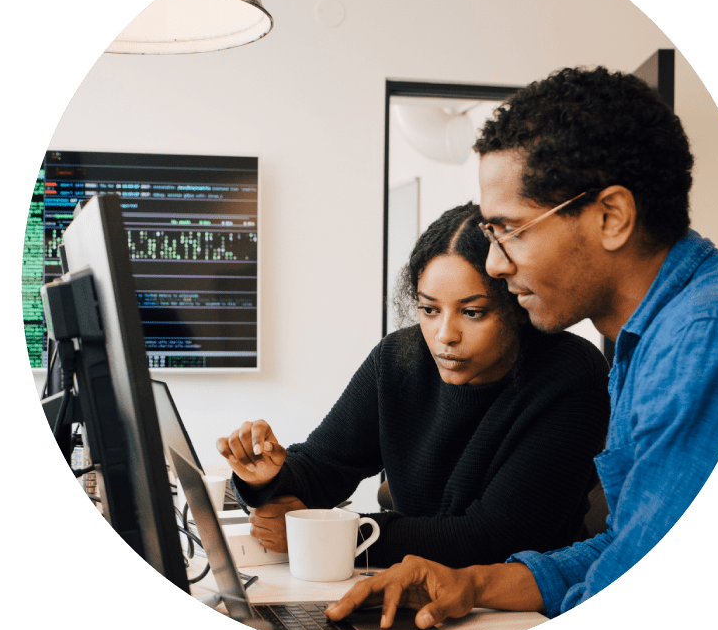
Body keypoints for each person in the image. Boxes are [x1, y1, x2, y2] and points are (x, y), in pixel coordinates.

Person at [325, 65, 718, 628]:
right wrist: (472, 582)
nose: (495, 264)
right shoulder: (647, 338)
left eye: (510, 230)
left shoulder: (710, 336)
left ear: (611, 217)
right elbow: (620, 547)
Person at [217, 202, 610, 570]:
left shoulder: (570, 374)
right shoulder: (399, 358)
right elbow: (325, 464)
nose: (444, 336)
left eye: (472, 313)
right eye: (429, 309)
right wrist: (265, 477)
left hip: (519, 611)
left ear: (516, 307)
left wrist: (328, 536)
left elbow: (493, 538)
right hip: (415, 587)